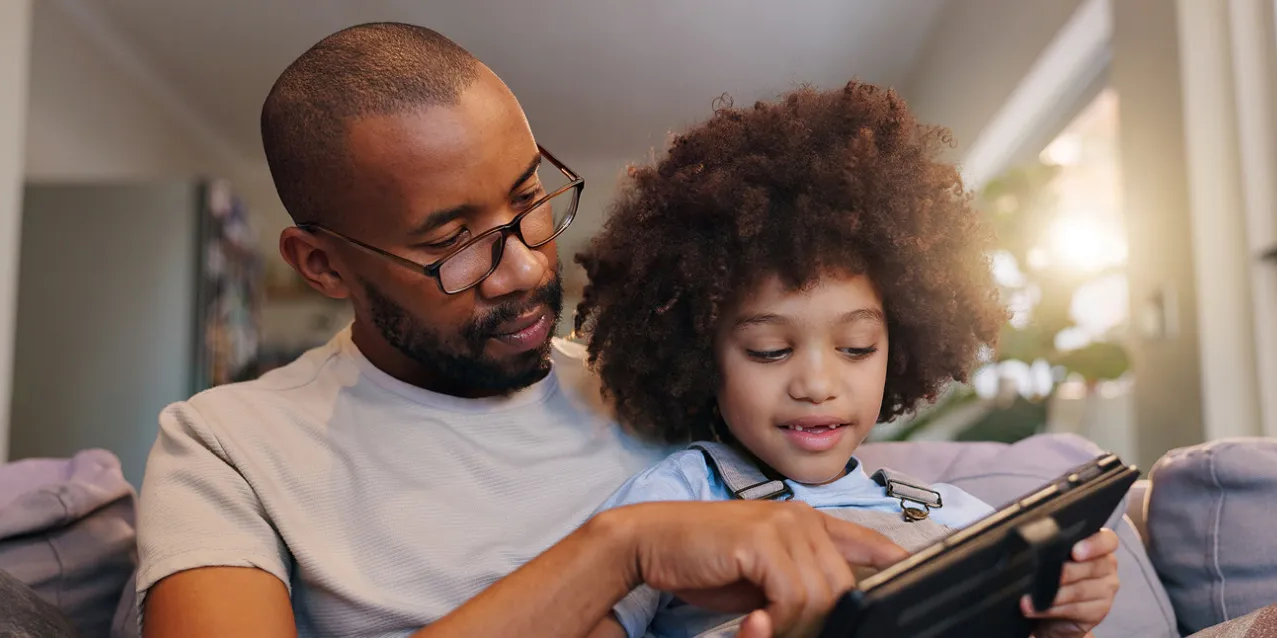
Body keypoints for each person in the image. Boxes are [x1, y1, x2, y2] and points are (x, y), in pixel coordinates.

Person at [135, 22, 909, 638]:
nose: (524, 270)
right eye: (451, 243)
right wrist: (622, 550)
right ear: (322, 266)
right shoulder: (225, 445)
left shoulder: (660, 382)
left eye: (527, 198)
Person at [573, 82, 1122, 638]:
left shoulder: (954, 513)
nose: (816, 384)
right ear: (698, 355)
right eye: (771, 351)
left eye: (857, 348)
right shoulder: (675, 498)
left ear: (901, 345)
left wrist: (1064, 615)